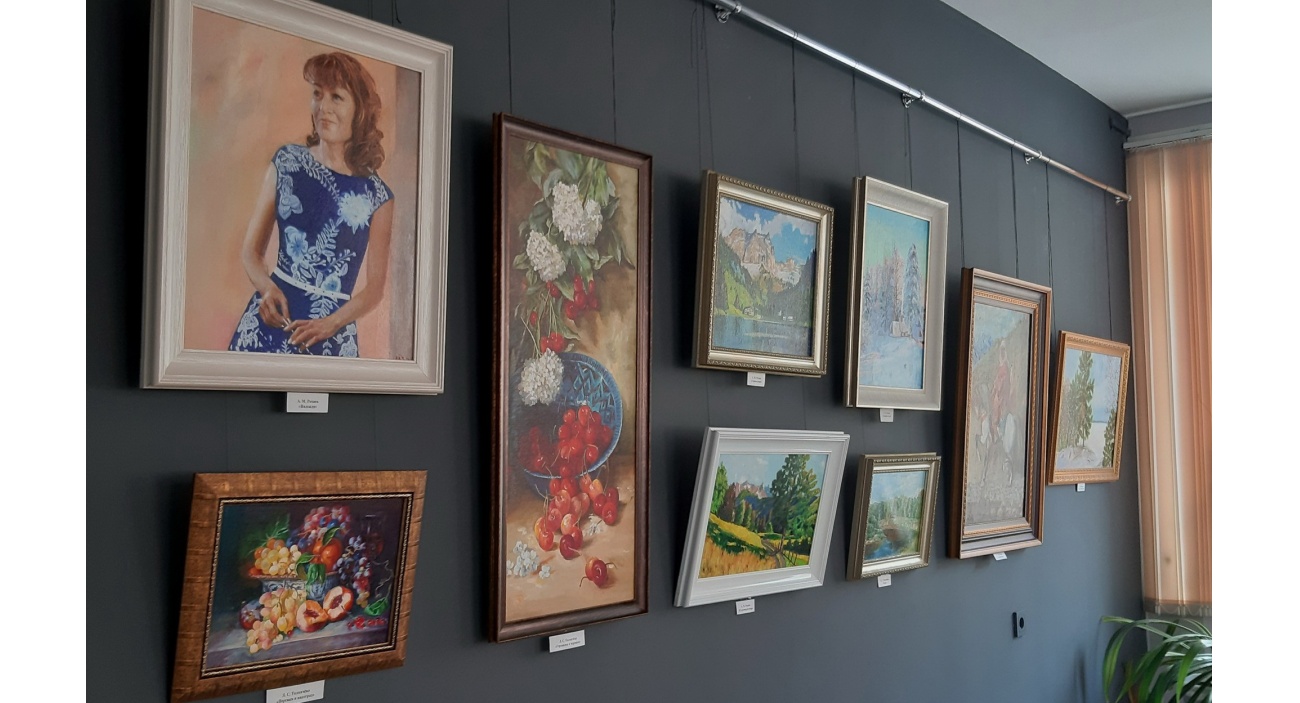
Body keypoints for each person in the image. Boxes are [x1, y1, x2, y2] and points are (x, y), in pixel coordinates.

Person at [229, 52, 394, 356]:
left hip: (331, 337)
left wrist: (331, 324)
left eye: (336, 97)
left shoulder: (378, 195)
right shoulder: (286, 162)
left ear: (359, 110)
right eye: (317, 94)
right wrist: (267, 289)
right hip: (272, 322)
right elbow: (251, 252)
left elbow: (374, 290)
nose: (323, 107)